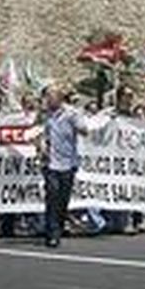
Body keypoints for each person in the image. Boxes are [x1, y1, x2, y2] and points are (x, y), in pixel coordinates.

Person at [37, 84, 108, 248]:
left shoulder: (71, 114)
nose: (47, 99)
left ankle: (59, 226)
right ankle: (52, 233)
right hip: (50, 163)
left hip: (68, 163)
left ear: (59, 98)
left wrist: (80, 124)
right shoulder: (44, 115)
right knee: (52, 196)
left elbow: (84, 131)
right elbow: (37, 131)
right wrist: (41, 145)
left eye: (50, 96)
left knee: (63, 198)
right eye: (46, 96)